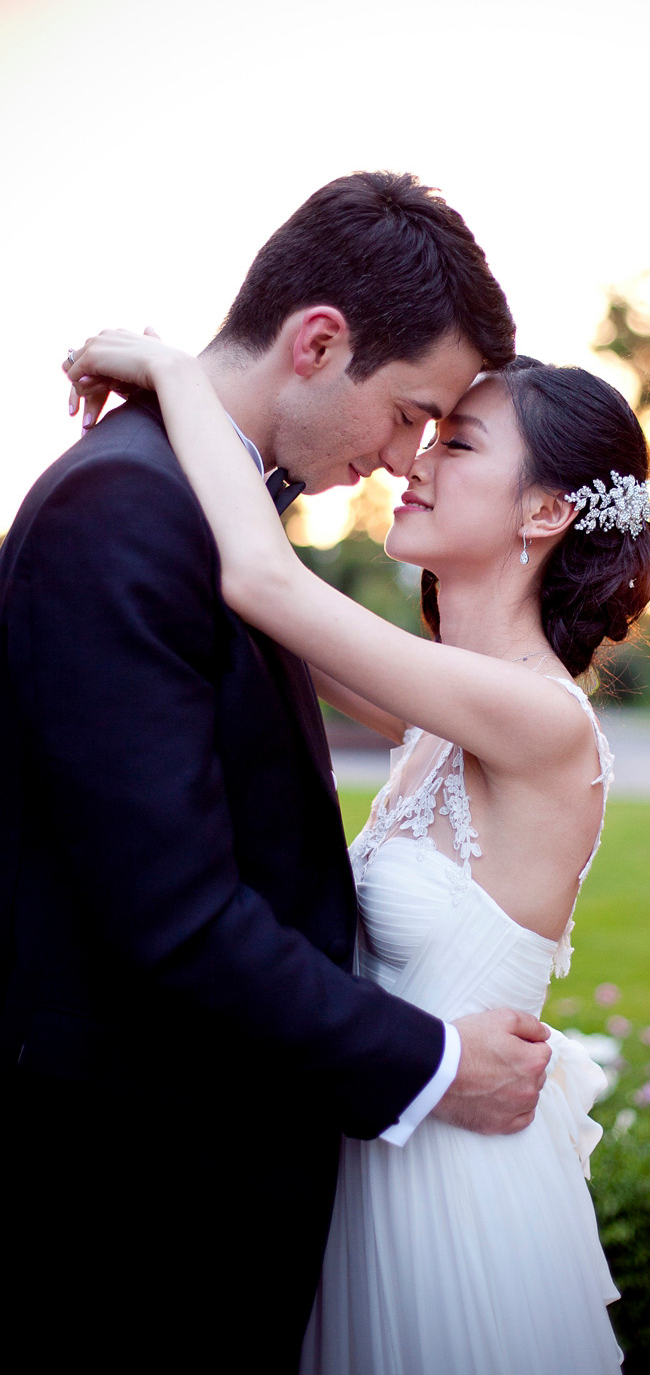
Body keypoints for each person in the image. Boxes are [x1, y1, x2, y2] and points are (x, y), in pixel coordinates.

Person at [0, 172, 553, 1375]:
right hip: (132, 1194)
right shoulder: (129, 513)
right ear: (318, 342)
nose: (407, 456)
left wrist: (167, 368)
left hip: (202, 1172)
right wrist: (440, 1063)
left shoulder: (192, 504)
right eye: (414, 412)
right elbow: (177, 916)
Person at [64, 327, 650, 1375]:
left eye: (461, 445)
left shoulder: (540, 720)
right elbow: (254, 598)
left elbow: (267, 583)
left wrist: (177, 376)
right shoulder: (438, 705)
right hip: (374, 1146)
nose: (414, 461)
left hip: (455, 1192)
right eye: (424, 434)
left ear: (546, 510)